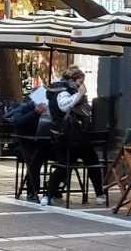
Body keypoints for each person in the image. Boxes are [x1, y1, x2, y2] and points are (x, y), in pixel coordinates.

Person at [44, 67, 107, 206]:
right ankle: (48, 195)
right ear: (72, 80)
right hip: (67, 137)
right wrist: (79, 94)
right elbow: (64, 106)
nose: (81, 84)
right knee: (65, 165)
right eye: (80, 81)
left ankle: (99, 193)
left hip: (75, 135)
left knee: (90, 162)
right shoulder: (62, 91)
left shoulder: (62, 89)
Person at [7, 96, 48, 203]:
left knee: (65, 156)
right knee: (35, 159)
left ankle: (53, 188)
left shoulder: (49, 108)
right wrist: (35, 112)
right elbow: (17, 122)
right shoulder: (23, 107)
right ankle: (32, 192)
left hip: (42, 143)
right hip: (23, 145)